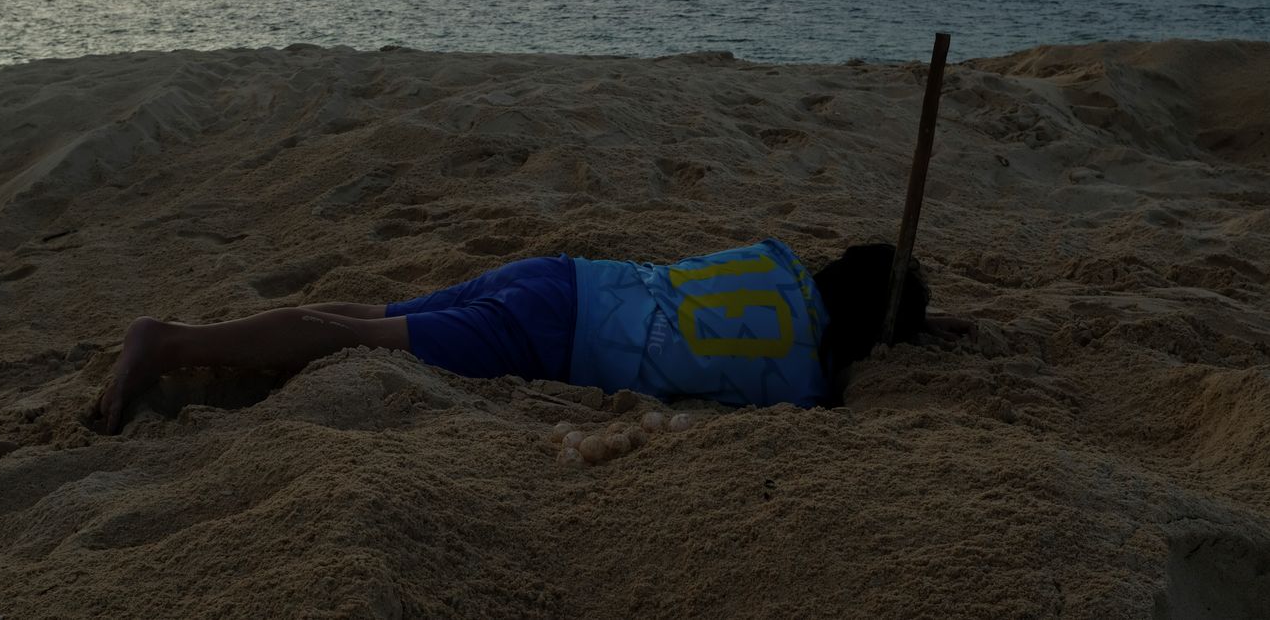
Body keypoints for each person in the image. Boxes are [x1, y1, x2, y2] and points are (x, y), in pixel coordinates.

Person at [94, 239, 972, 433]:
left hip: (569, 276)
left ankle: (177, 338)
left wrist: (918, 317)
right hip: (557, 333)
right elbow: (814, 377)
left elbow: (800, 306)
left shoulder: (779, 264)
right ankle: (169, 343)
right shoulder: (799, 381)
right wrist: (906, 337)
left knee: (378, 316)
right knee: (348, 339)